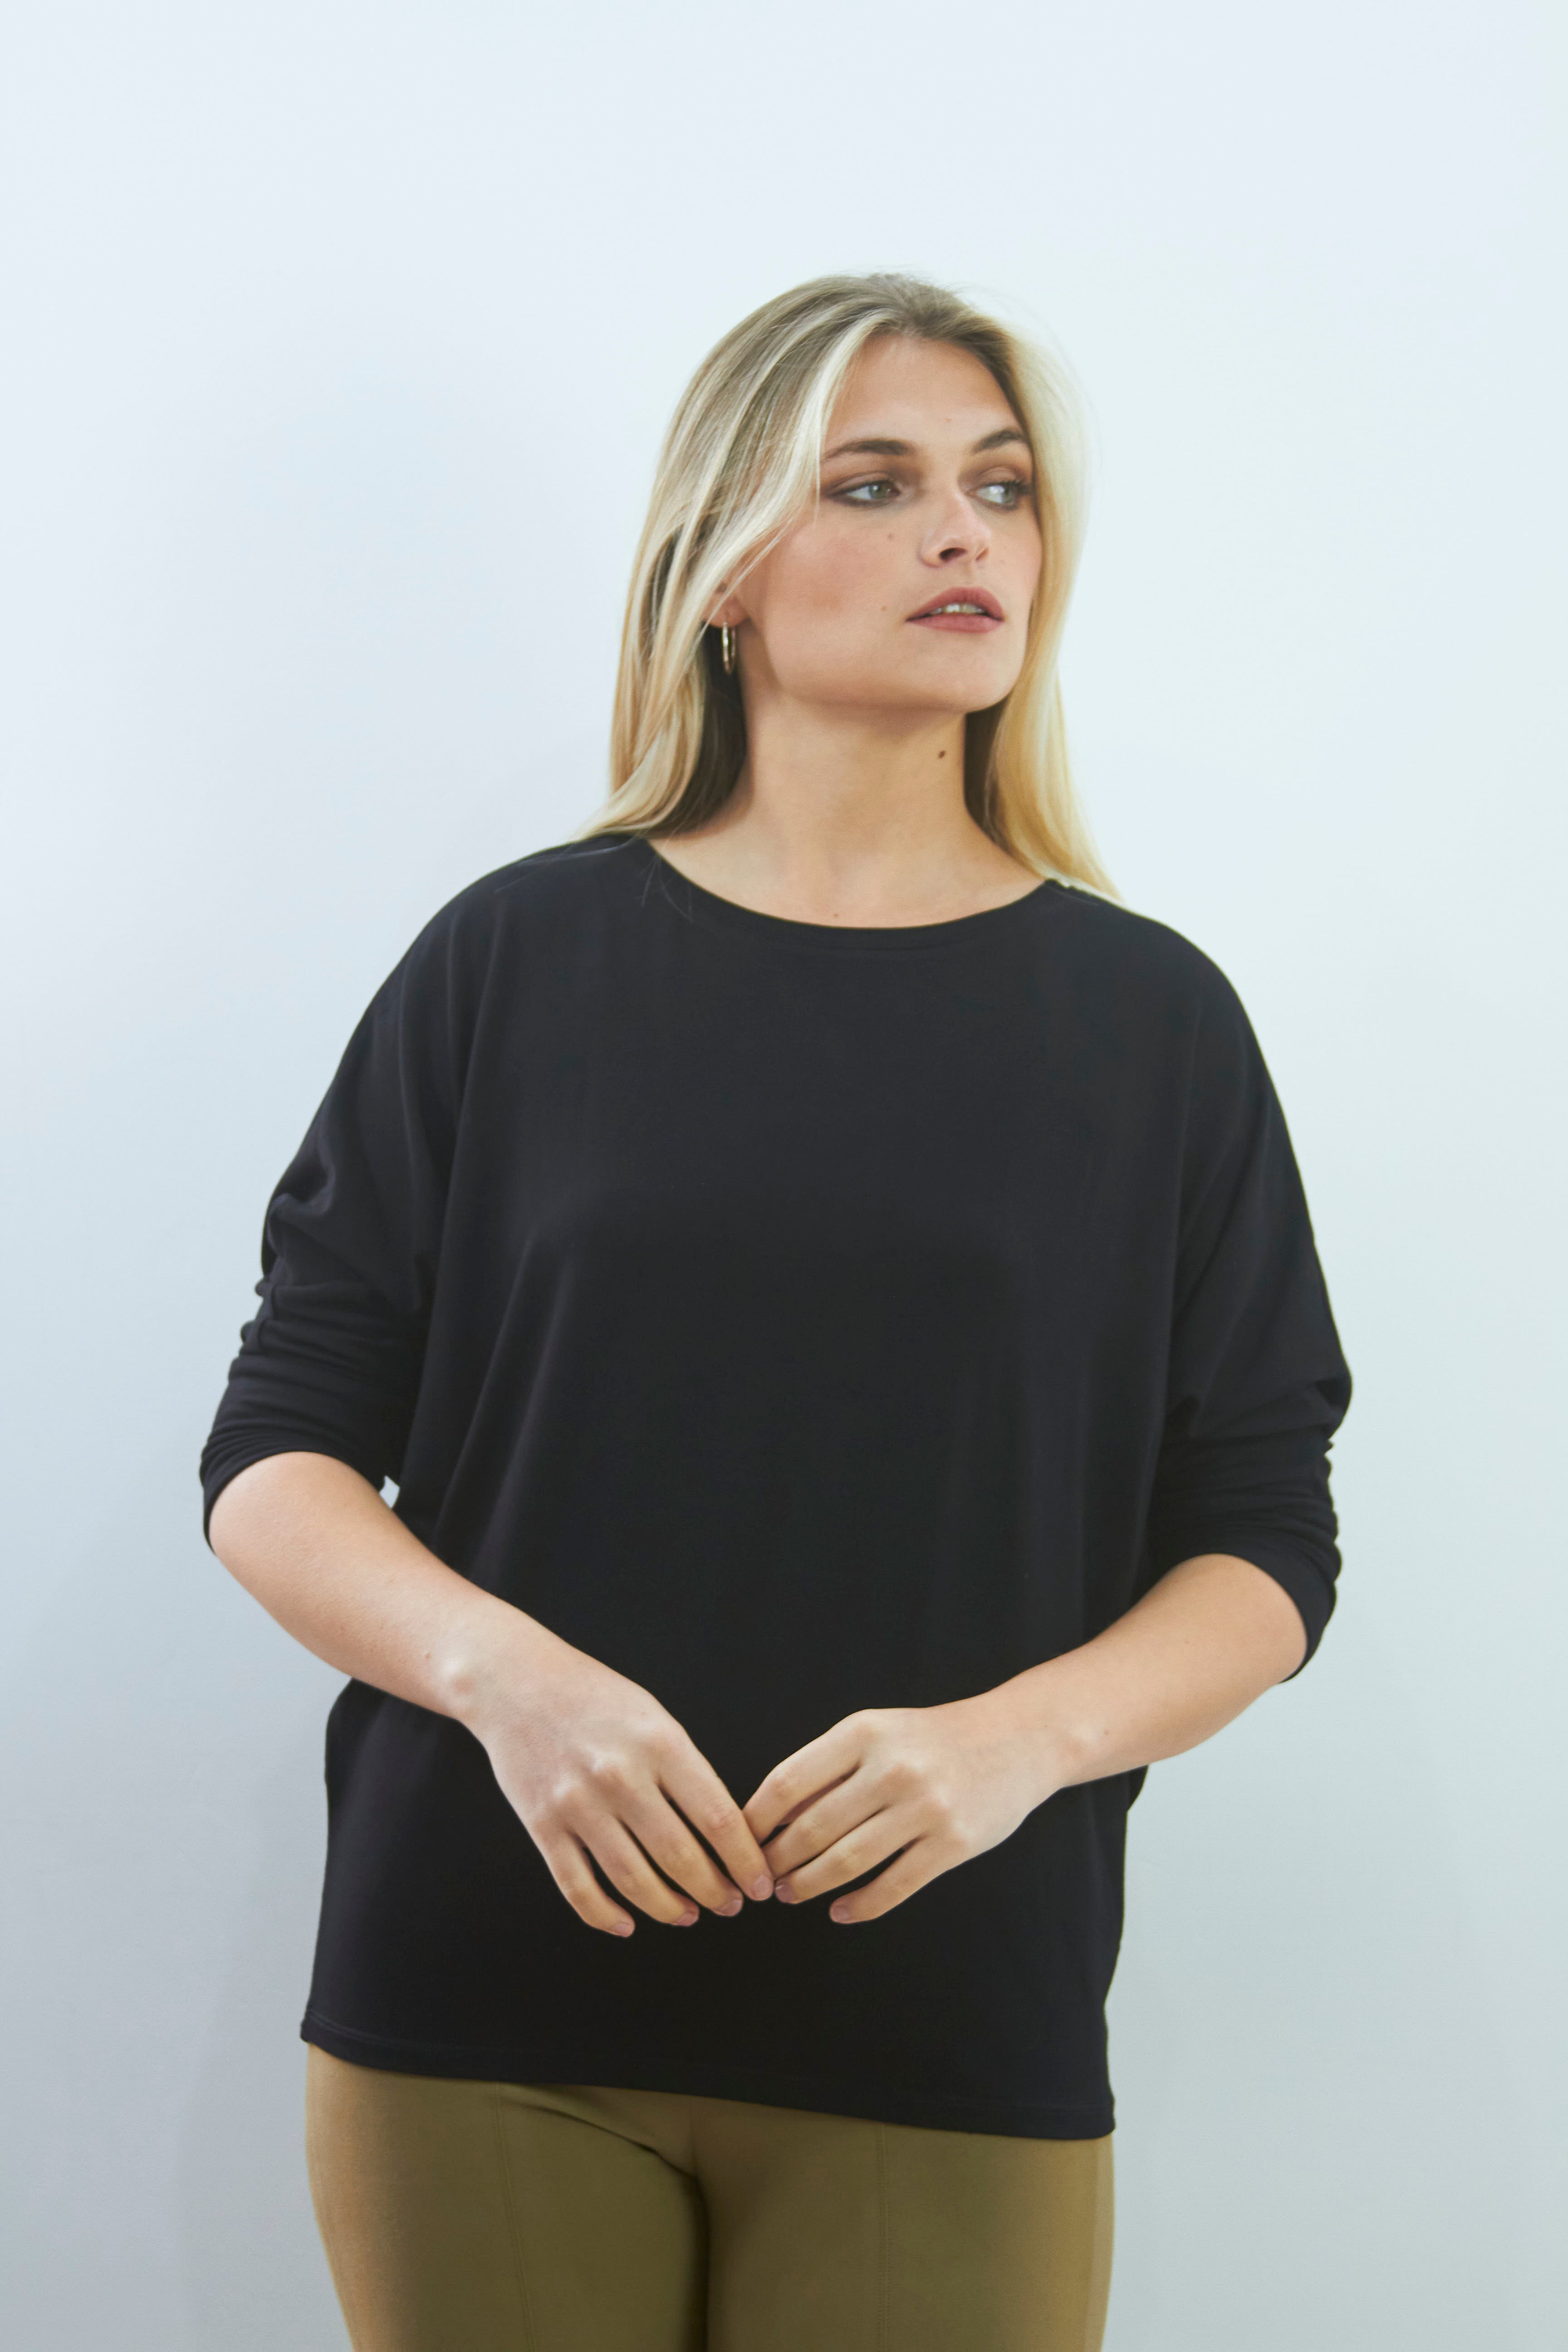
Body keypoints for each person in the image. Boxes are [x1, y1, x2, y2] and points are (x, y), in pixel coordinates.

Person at [201, 272, 1351, 2352]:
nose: (965, 534)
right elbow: (280, 1452)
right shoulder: (512, 963)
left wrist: (1021, 1743)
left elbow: (1264, 1540)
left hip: (945, 2003)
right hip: (485, 1992)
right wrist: (505, 1681)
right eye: (878, 483)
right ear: (723, 565)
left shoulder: (1152, 1025)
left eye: (1002, 487)